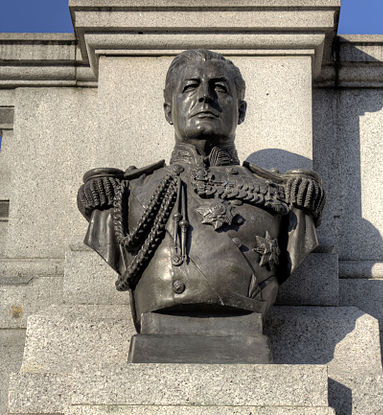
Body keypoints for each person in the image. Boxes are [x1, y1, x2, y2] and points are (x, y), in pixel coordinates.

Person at [77, 49, 325, 332]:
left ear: (241, 111)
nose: (206, 95)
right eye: (191, 86)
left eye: (219, 87)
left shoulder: (283, 197)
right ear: (169, 110)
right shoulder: (127, 193)